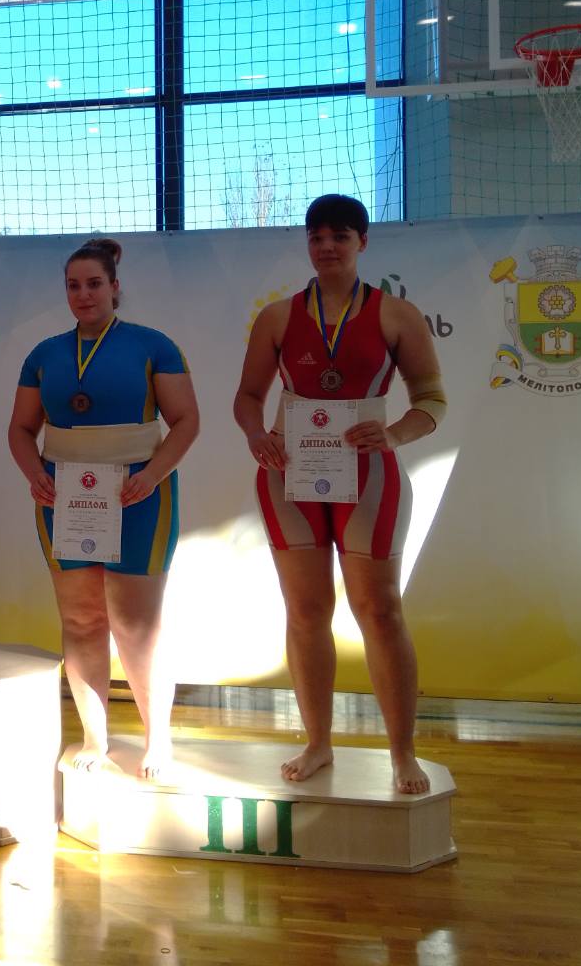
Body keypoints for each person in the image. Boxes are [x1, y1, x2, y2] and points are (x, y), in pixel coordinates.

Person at [233, 194, 446, 793]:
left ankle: (402, 752)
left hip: (367, 475)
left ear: (362, 243)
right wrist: (257, 436)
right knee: (306, 612)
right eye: (317, 237)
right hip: (288, 473)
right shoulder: (278, 317)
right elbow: (247, 397)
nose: (326, 247)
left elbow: (433, 401)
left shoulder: (396, 315)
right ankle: (318, 743)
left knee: (379, 610)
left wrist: (393, 434)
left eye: (340, 237)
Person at [7, 238, 199, 778]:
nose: (83, 294)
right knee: (81, 618)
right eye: (73, 285)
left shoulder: (154, 346)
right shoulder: (43, 355)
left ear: (115, 287)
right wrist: (35, 475)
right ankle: (94, 737)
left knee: (136, 623)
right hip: (63, 499)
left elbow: (186, 421)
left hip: (140, 496)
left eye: (94, 284)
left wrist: (151, 477)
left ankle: (158, 740)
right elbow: (20, 430)